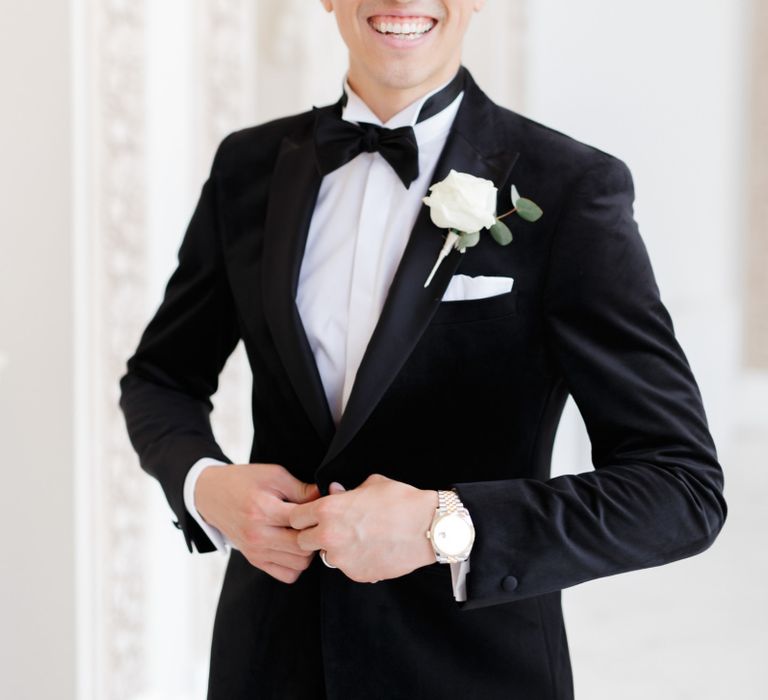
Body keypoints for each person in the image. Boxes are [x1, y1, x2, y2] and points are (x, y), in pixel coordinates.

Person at [119, 1, 728, 698]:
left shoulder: (569, 190)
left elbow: (680, 490)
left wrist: (447, 527)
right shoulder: (247, 166)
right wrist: (205, 484)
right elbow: (161, 376)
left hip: (472, 669)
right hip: (269, 659)